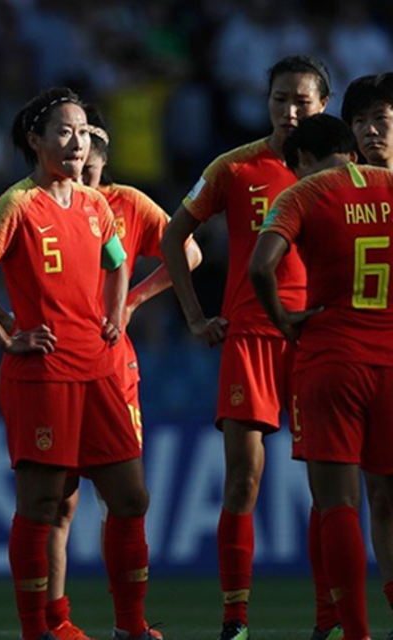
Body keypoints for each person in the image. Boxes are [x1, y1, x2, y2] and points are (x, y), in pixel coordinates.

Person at [0, 104, 202, 640]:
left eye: (82, 132)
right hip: (44, 372)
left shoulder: (96, 203)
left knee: (131, 498)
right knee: (42, 503)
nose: (77, 143)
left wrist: (116, 310)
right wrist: (9, 333)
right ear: (36, 140)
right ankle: (38, 629)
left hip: (102, 367)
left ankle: (130, 627)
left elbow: (118, 260)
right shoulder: (17, 204)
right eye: (64, 132)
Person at [160, 55, 336, 640]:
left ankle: (328, 619)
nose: (289, 111)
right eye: (279, 99)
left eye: (301, 102)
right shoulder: (235, 168)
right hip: (251, 338)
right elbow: (173, 234)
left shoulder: (341, 172)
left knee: (327, 485)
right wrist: (193, 316)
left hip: (318, 337)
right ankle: (235, 619)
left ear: (323, 106)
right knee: (243, 480)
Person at [249, 112, 389, 640]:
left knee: (337, 504)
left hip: (331, 356)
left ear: (302, 161)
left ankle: (355, 632)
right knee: (389, 503)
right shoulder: (390, 184)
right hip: (391, 359)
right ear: (351, 149)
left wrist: (283, 320)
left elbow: (261, 266)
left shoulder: (302, 195)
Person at [340, 70, 393, 629]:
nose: (371, 131)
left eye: (382, 120)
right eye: (361, 122)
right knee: (379, 494)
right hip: (360, 362)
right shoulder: (332, 190)